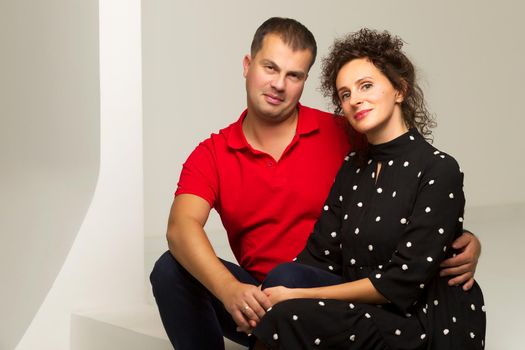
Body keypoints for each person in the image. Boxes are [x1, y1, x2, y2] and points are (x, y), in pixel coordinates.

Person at [149, 18, 482, 350]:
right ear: (248, 66)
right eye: (270, 68)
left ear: (304, 81)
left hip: (329, 291)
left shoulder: (348, 132)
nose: (278, 84)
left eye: (293, 75)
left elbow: (417, 177)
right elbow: (181, 228)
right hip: (260, 296)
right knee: (169, 270)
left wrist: (456, 238)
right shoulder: (213, 153)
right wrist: (229, 290)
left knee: (288, 277)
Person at [251, 29, 486, 350]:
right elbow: (318, 259)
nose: (354, 100)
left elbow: (401, 283)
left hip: (421, 320)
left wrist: (297, 297)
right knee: (283, 284)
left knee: (288, 314)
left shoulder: (438, 168)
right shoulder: (352, 168)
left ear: (400, 90)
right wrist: (267, 294)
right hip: (367, 308)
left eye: (366, 86)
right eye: (345, 94)